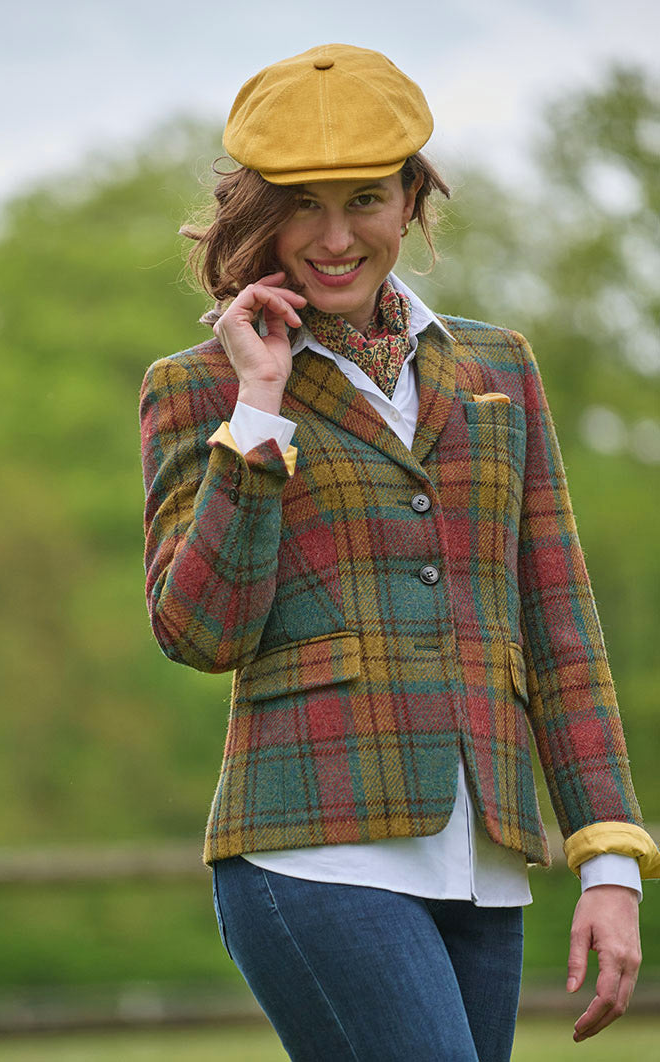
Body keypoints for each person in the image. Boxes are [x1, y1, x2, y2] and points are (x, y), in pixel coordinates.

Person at [139, 43, 659, 1061]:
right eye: (303, 206)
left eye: (367, 200)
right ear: (259, 214)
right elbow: (198, 630)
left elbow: (557, 618)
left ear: (413, 197)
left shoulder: (499, 367)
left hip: (487, 864)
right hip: (312, 853)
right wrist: (259, 407)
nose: (336, 238)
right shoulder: (198, 385)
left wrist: (609, 863)